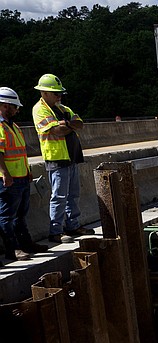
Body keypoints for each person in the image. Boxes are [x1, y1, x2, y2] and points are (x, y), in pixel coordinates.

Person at [32, 73, 91, 244]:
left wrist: (67, 124)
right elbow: (55, 131)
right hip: (57, 158)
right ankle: (56, 231)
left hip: (71, 156)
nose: (59, 96)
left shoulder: (62, 108)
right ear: (44, 93)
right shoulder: (40, 109)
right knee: (59, 196)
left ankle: (73, 225)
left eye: (60, 93)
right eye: (56, 93)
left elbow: (80, 122)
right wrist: (67, 125)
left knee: (73, 194)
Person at [0, 87, 48, 262]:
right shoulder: (0, 127)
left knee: (21, 215)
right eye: (15, 107)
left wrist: (27, 171)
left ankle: (26, 244)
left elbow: (20, 152)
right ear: (5, 106)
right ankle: (13, 250)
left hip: (21, 178)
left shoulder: (13, 127)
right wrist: (5, 174)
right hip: (8, 180)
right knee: (7, 217)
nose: (17, 110)